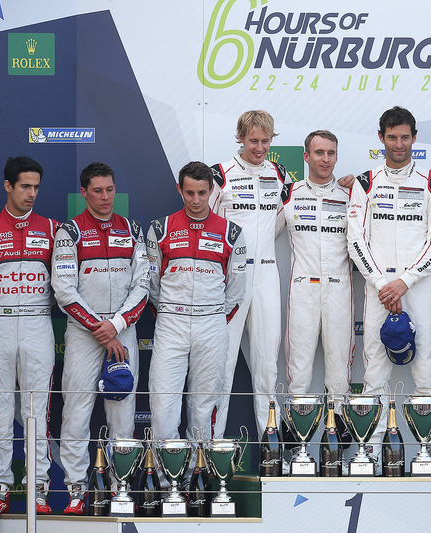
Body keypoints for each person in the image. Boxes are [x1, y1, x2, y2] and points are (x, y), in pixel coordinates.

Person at [347, 106, 431, 457]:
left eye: (405, 137)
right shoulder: (365, 182)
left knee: (425, 373)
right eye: (392, 137)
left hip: (418, 288)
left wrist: (404, 282)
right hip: (377, 289)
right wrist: (381, 284)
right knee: (374, 372)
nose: (399, 144)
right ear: (381, 139)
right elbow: (356, 241)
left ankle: (427, 455)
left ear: (414, 138)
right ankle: (369, 454)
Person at [51, 162, 150, 515]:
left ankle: (119, 488)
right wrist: (102, 330)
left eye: (110, 190)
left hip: (122, 332)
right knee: (76, 414)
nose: (105, 197)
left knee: (123, 415)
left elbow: (143, 284)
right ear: (84, 192)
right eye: (97, 191)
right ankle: (77, 491)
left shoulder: (132, 229)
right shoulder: (70, 232)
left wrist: (118, 324)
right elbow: (64, 291)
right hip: (84, 335)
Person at [0, 156, 58, 517]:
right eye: (24, 186)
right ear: (8, 186)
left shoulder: (53, 229)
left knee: (36, 412)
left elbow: (62, 285)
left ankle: (38, 490)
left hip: (37, 323)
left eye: (36, 187)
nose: (32, 193)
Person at [148, 162, 247, 443]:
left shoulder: (231, 232)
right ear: (179, 189)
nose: (195, 200)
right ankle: (167, 481)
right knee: (163, 406)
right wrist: (169, 311)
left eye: (202, 193)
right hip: (171, 323)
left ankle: (198, 476)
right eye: (189, 193)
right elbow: (151, 283)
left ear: (211, 190)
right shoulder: (161, 228)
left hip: (212, 324)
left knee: (203, 407)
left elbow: (236, 288)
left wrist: (213, 317)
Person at [209, 110, 287, 434]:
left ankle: (273, 455)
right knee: (221, 369)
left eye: (265, 141)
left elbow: (280, 222)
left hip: (267, 274)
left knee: (268, 369)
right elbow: (210, 228)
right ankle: (210, 455)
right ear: (240, 137)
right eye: (253, 140)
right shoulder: (220, 175)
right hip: (231, 278)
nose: (259, 147)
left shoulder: (280, 174)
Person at [276, 129, 354, 441]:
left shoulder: (351, 196)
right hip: (302, 288)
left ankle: (338, 438)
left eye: (331, 153)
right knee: (299, 367)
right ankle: (296, 439)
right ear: (306, 156)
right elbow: (263, 237)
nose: (325, 159)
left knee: (338, 368)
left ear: (336, 156)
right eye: (319, 153)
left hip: (339, 288)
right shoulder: (290, 193)